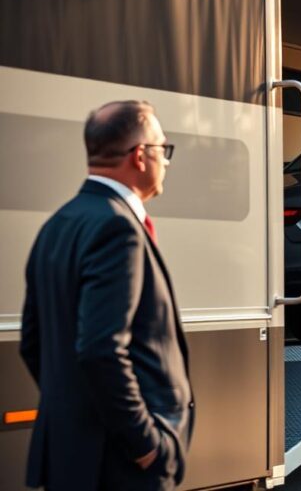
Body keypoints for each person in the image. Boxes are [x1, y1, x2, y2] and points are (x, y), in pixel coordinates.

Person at [20, 100, 193, 490]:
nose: (167, 161)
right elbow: (101, 348)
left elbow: (33, 342)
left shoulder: (57, 225)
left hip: (72, 457)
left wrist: (74, 411)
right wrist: (144, 442)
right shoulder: (119, 229)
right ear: (140, 157)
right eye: (163, 150)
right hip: (117, 464)